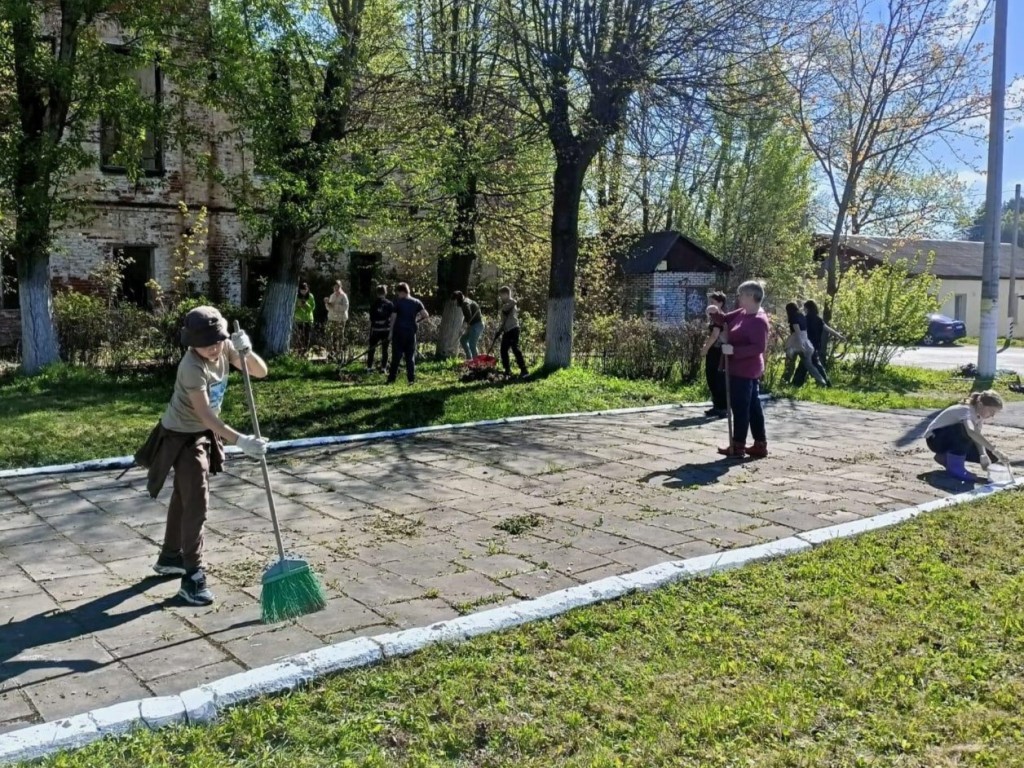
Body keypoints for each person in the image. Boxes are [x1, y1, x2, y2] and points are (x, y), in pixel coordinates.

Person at [133, 306, 270, 606]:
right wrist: (241, 441)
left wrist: (247, 352)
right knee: (197, 500)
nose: (213, 347)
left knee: (185, 496)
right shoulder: (191, 367)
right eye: (205, 342)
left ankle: (171, 556)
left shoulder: (225, 348)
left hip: (200, 433)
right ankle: (192, 578)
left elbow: (261, 372)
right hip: (180, 437)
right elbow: (206, 414)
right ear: (191, 342)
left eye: (217, 340)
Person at [708, 280, 770, 459]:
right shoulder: (743, 312)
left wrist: (734, 350)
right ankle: (759, 444)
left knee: (741, 407)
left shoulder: (759, 320)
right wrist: (714, 312)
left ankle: (738, 445)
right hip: (739, 367)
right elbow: (725, 319)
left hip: (746, 370)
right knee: (752, 407)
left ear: (751, 296)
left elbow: (758, 347)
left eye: (741, 294)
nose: (739, 298)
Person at [924, 390, 1008, 481]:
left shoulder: (978, 416)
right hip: (936, 440)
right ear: (980, 405)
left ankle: (944, 457)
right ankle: (955, 468)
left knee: (992, 456)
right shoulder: (966, 410)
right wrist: (994, 449)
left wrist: (983, 454)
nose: (992, 415)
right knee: (964, 430)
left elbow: (977, 435)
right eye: (991, 411)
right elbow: (971, 431)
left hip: (947, 441)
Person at [797, 299, 844, 387]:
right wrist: (839, 336)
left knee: (812, 365)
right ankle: (797, 383)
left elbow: (800, 332)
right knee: (806, 365)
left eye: (805, 308)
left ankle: (826, 383)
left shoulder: (805, 319)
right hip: (815, 346)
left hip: (806, 346)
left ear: (807, 308)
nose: (804, 309)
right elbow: (828, 329)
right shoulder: (818, 320)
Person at [388, 282, 429, 384]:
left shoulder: (398, 302)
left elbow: (393, 318)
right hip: (411, 332)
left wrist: (390, 332)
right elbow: (426, 315)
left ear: (401, 292)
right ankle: (411, 379)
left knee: (396, 357)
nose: (398, 295)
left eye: (398, 293)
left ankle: (391, 379)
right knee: (410, 357)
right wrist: (416, 321)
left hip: (399, 332)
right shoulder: (416, 302)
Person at [783, 302, 827, 387]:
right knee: (810, 365)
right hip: (806, 342)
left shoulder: (793, 318)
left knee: (790, 363)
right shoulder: (802, 316)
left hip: (795, 344)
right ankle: (822, 382)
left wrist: (800, 345)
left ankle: (785, 381)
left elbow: (797, 332)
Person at [700, 291, 728, 418]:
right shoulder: (715, 316)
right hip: (716, 350)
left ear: (720, 303)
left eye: (713, 302)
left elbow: (715, 335)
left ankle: (722, 407)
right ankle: (718, 406)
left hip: (717, 351)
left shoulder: (719, 317)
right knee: (713, 378)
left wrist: (705, 348)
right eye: (709, 302)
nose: (710, 304)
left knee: (715, 378)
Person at [493, 286, 528, 379]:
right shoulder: (505, 305)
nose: (500, 298)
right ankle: (507, 370)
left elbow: (514, 301)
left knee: (515, 349)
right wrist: (499, 331)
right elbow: (503, 321)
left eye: (501, 295)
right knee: (503, 350)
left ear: (506, 294)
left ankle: (524, 370)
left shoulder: (511, 302)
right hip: (507, 330)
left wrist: (505, 308)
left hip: (513, 329)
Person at [366, 285, 394, 372]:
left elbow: (371, 318)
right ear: (385, 292)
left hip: (375, 330)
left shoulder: (373, 304)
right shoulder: (389, 304)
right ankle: (383, 368)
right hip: (386, 330)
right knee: (385, 350)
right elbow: (392, 317)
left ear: (377, 293)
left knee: (371, 348)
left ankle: (369, 367)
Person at [454, 291, 485, 359]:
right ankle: (469, 358)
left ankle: (476, 362)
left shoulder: (465, 304)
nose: (455, 303)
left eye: (455, 301)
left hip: (477, 325)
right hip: (474, 325)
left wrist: (463, 328)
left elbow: (468, 317)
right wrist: (465, 327)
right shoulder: (467, 301)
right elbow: (467, 318)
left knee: (472, 344)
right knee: (463, 340)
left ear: (458, 299)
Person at [324, 280, 349, 361]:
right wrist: (327, 303)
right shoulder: (332, 295)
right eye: (335, 287)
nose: (336, 288)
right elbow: (329, 308)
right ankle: (332, 351)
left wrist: (335, 306)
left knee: (340, 335)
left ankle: (340, 351)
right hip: (332, 318)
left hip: (341, 318)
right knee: (331, 334)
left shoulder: (343, 296)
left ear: (340, 286)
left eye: (337, 287)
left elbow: (345, 307)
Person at [293, 282, 315, 357]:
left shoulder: (311, 296)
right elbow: (293, 309)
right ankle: (299, 351)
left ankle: (305, 351)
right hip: (299, 319)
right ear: (299, 290)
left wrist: (306, 304)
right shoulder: (296, 296)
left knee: (307, 336)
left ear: (307, 289)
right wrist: (298, 306)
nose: (303, 292)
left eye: (305, 290)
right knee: (299, 336)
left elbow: (312, 308)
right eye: (302, 290)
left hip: (308, 319)